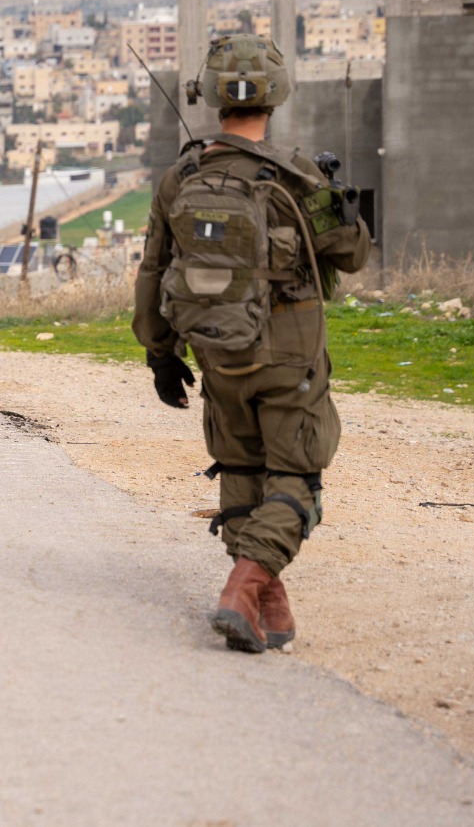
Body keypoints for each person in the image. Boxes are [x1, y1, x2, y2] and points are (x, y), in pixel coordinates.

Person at [133, 33, 371, 654]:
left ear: (210, 97)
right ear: (277, 96)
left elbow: (152, 273)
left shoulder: (178, 177)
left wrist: (161, 354)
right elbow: (353, 254)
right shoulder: (298, 175)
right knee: (298, 481)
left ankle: (267, 604)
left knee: (240, 469)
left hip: (216, 352)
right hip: (289, 354)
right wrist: (343, 209)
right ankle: (243, 586)